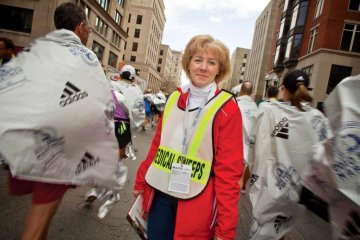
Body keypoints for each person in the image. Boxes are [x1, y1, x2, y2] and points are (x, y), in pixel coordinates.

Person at [0, 3, 120, 240]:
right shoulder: (85, 56)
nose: (89, 34)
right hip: (55, 148)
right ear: (81, 27)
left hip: (26, 141)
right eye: (88, 28)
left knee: (43, 212)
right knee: (37, 223)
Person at [133, 34, 243, 240]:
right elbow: (158, 145)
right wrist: (141, 180)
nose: (203, 67)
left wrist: (225, 229)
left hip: (198, 202)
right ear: (189, 63)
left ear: (220, 69)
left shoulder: (228, 108)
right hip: (161, 194)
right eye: (198, 60)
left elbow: (229, 173)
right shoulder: (174, 97)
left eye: (211, 63)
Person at [248, 69, 332, 240]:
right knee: (281, 229)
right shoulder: (319, 119)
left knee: (262, 229)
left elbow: (254, 145)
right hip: (298, 189)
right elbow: (327, 156)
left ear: (283, 88)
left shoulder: (269, 111)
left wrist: (248, 174)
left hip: (267, 185)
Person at [236, 81, 259, 193]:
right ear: (251, 92)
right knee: (249, 162)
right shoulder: (256, 107)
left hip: (236, 140)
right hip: (251, 141)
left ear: (240, 91)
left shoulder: (235, 103)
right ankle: (243, 185)